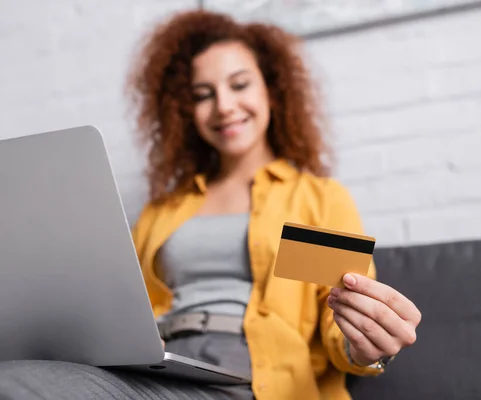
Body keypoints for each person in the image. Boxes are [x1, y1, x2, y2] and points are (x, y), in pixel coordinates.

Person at [0, 9, 421, 400]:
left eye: (239, 85)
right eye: (203, 94)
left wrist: (364, 344)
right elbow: (127, 312)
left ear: (271, 90)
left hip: (252, 373)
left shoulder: (313, 198)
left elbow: (338, 318)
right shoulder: (163, 212)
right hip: (161, 369)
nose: (224, 106)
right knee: (17, 376)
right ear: (186, 110)